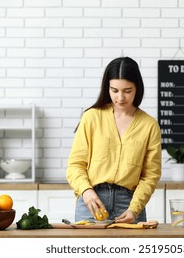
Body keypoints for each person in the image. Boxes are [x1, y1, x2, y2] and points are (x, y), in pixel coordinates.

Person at [66, 57, 162, 224]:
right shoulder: (91, 118)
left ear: (137, 88)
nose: (120, 98)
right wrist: (86, 192)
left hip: (130, 204)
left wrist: (135, 208)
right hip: (92, 202)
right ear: (107, 88)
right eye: (114, 90)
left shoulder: (149, 125)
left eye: (127, 90)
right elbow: (75, 165)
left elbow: (150, 176)